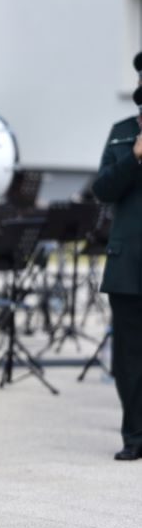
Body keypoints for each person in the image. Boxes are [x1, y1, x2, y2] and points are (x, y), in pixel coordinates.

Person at [91, 61, 142, 461]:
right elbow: (103, 189)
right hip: (128, 265)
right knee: (129, 356)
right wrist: (135, 158)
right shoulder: (124, 132)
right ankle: (135, 436)